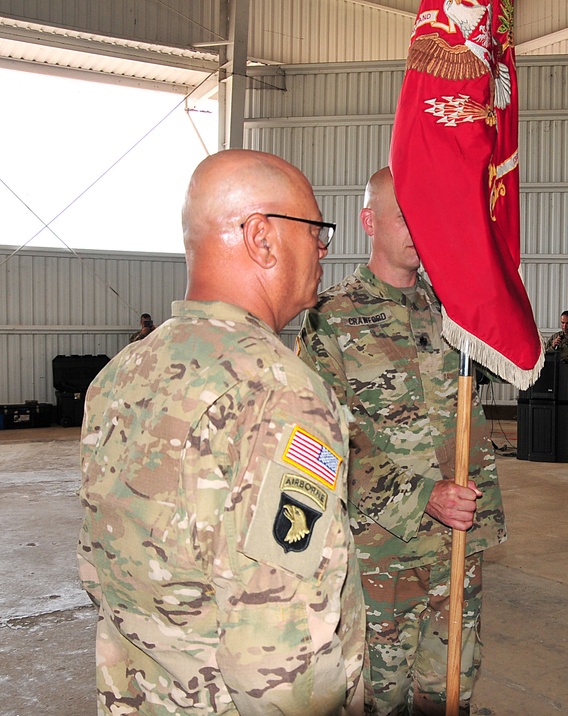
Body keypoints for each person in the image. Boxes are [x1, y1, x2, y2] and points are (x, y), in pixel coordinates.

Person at [77, 149, 365, 715]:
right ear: (261, 237)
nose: (325, 247)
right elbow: (279, 664)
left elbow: (100, 569)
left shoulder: (122, 373)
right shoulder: (282, 393)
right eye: (317, 230)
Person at [298, 167, 506, 715]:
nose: (418, 228)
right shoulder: (332, 318)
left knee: (450, 686)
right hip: (381, 548)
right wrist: (422, 496)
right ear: (369, 221)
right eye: (402, 215)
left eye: (426, 216)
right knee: (377, 692)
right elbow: (322, 437)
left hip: (458, 540)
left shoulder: (454, 312)